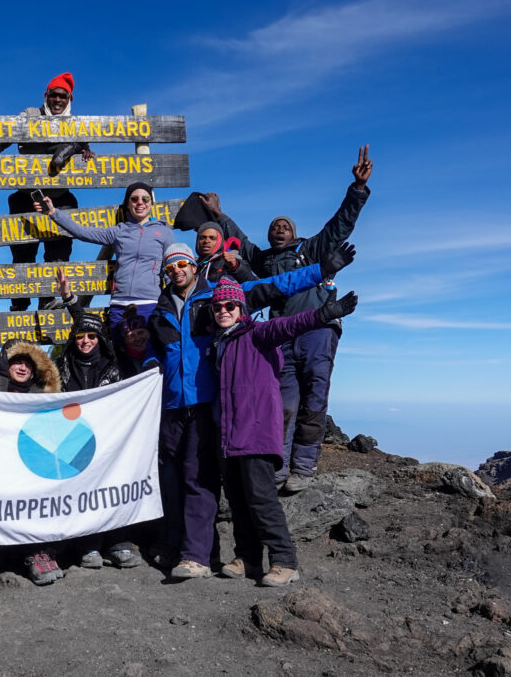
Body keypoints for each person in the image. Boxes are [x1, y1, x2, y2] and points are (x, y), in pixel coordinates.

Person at [143, 242, 354, 580]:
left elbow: (280, 290)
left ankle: (206, 557)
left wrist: (322, 271)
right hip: (188, 413)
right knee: (192, 486)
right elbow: (150, 351)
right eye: (169, 268)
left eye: (182, 264)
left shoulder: (236, 314)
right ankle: (234, 555)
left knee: (211, 483)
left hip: (216, 413)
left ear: (194, 267)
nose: (176, 271)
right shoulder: (162, 313)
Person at [200, 147, 373, 491]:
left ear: (292, 233)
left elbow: (340, 223)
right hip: (280, 338)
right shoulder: (263, 261)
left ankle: (303, 468)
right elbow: (242, 243)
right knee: (284, 404)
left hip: (318, 328)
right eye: (274, 227)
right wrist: (219, 215)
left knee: (315, 397)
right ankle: (277, 468)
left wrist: (357, 190)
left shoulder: (310, 250)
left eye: (285, 226)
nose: (279, 229)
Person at [208, 278, 358, 586]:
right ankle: (247, 558)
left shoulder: (258, 333)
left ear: (241, 308)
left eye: (230, 305)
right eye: (218, 306)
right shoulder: (219, 342)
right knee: (238, 501)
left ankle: (285, 561)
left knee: (262, 500)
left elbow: (292, 324)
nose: (223, 310)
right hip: (229, 436)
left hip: (256, 433)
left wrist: (326, 312)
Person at [52, 269, 143, 569]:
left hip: (111, 441)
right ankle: (88, 545)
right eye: (80, 336)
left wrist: (69, 298)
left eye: (92, 335)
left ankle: (117, 542)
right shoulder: (61, 367)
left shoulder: (114, 362)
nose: (86, 340)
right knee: (83, 493)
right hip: (75, 441)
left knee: (114, 488)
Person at [0, 72, 95, 311]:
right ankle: (20, 301)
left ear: (69, 99)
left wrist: (84, 150)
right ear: (46, 96)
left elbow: (86, 143)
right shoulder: (30, 115)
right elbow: (10, 131)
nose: (57, 100)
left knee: (59, 249)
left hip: (59, 197)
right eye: (53, 95)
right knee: (23, 250)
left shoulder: (74, 124)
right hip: (28, 194)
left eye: (62, 96)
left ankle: (49, 299)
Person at [35, 182, 174, 333]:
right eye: (134, 199)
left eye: (145, 199)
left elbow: (169, 270)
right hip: (119, 304)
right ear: (128, 204)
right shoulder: (119, 231)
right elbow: (83, 232)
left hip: (150, 303)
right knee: (120, 352)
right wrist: (54, 213)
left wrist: (173, 302)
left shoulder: (164, 232)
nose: (140, 202)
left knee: (149, 352)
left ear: (151, 203)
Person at [0, 339, 64, 584]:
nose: (22, 368)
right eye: (15, 362)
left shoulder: (44, 397)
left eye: (27, 364)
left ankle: (40, 552)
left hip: (33, 463)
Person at [174, 193, 254, 284]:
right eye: (202, 238)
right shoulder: (194, 266)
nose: (206, 241)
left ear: (220, 241)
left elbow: (252, 282)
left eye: (212, 238)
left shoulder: (230, 260)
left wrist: (236, 266)